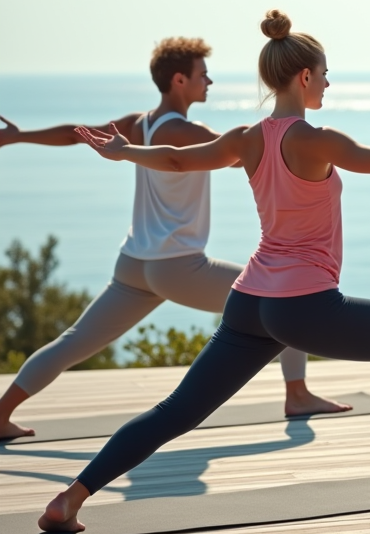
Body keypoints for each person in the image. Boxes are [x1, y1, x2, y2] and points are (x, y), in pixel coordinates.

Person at [37, 9, 370, 533]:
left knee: (176, 410)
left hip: (249, 301)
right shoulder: (316, 139)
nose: (329, 82)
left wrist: (125, 151)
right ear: (305, 76)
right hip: (304, 305)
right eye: (325, 73)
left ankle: (72, 497)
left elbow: (180, 161)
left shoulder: (248, 138)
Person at [0, 37, 347, 442]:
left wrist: (20, 136)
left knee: (72, 343)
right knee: (282, 298)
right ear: (179, 80)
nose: (210, 82)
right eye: (203, 75)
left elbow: (78, 134)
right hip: (179, 266)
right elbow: (254, 154)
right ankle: (298, 394)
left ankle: (2, 412)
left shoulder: (137, 124)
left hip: (133, 264)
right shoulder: (188, 131)